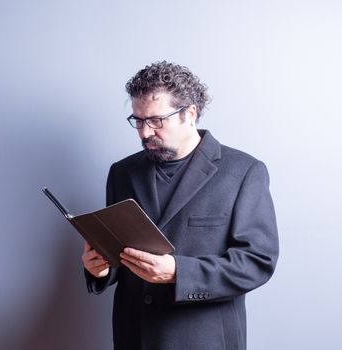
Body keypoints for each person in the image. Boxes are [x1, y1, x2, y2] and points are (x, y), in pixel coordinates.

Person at [81, 61, 279, 350]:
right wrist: (99, 268)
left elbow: (257, 262)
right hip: (134, 336)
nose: (145, 132)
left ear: (190, 113)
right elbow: (117, 250)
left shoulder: (244, 171)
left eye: (156, 120)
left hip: (204, 339)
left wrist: (178, 273)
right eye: (138, 120)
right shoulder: (122, 172)